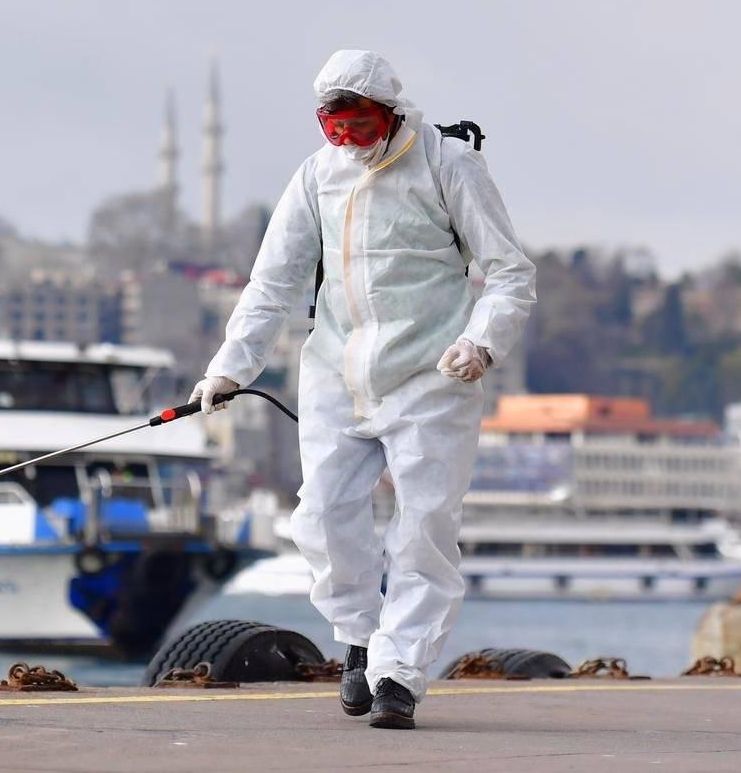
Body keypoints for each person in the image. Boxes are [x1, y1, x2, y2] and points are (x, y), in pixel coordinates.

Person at [193, 49, 536, 730]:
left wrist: (483, 340)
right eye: (334, 128)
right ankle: (357, 640)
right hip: (334, 374)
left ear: (389, 113)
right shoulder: (317, 177)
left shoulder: (448, 164)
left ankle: (399, 677)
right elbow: (274, 282)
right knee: (320, 515)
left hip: (431, 377)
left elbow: (509, 272)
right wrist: (232, 367)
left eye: (358, 126)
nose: (347, 141)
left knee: (425, 530)